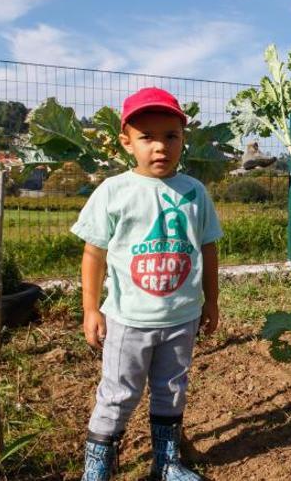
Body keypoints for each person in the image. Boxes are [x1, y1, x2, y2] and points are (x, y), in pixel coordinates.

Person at [72, 87, 222, 481]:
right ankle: (97, 468)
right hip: (128, 319)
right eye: (147, 137)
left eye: (170, 136)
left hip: (181, 317)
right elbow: (94, 254)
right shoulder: (114, 192)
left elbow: (208, 249)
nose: (161, 147)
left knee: (171, 388)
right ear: (127, 142)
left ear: (182, 139)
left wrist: (211, 301)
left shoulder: (194, 192)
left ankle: (166, 462)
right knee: (118, 394)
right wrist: (91, 309)